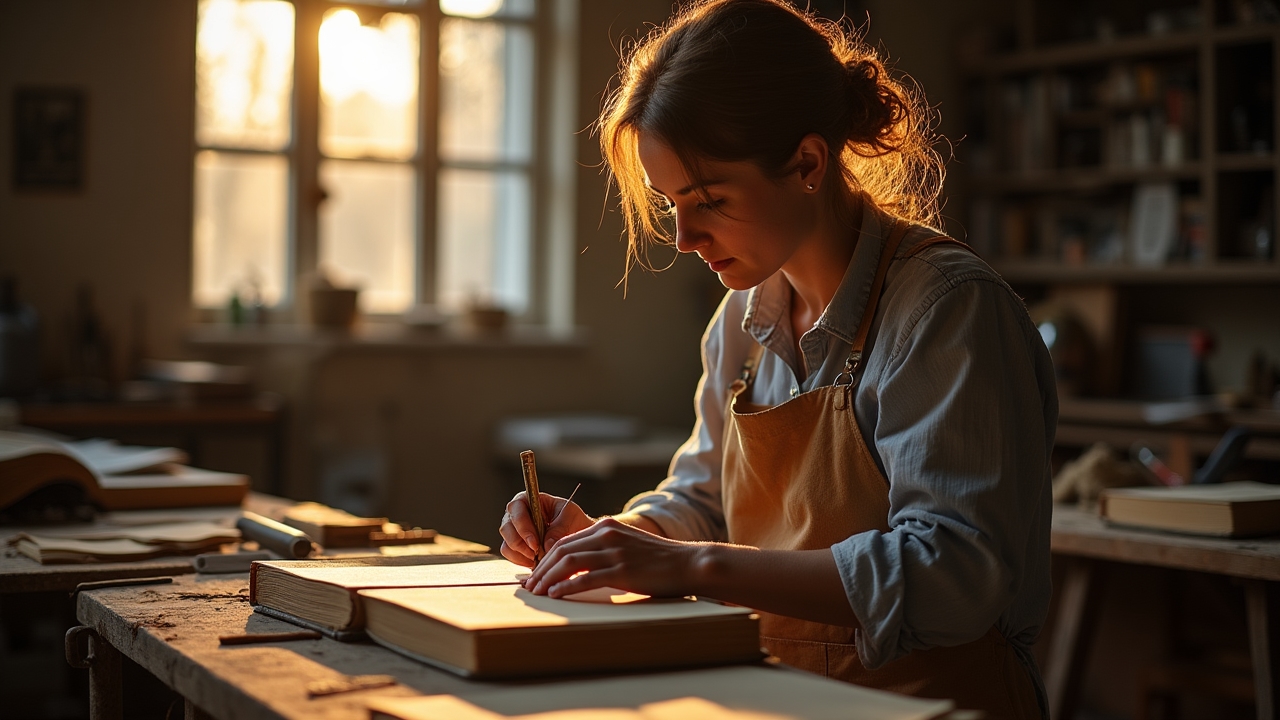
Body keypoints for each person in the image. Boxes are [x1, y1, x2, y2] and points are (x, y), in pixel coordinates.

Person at [498, 1, 1056, 717]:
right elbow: (703, 500)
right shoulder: (743, 316)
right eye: (671, 205)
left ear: (807, 163)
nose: (684, 238)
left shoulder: (946, 311)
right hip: (775, 698)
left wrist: (691, 565)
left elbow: (952, 575)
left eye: (708, 199)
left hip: (935, 703)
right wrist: (617, 540)